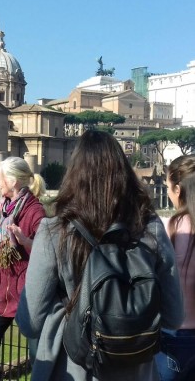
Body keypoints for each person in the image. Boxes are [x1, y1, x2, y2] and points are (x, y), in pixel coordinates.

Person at [15, 130, 184, 381]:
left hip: (71, 368)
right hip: (136, 370)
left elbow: (30, 322)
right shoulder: (151, 228)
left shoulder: (54, 231)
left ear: (73, 174)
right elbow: (173, 316)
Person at [0, 156, 46, 381]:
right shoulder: (1, 207)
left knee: (37, 357)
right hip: (2, 295)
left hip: (28, 294)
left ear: (14, 181)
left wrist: (26, 241)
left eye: (1, 179)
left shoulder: (36, 211)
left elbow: (48, 252)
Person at [155, 154, 195, 380]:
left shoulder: (172, 226)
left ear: (178, 189)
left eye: (168, 187)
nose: (168, 193)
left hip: (174, 335)